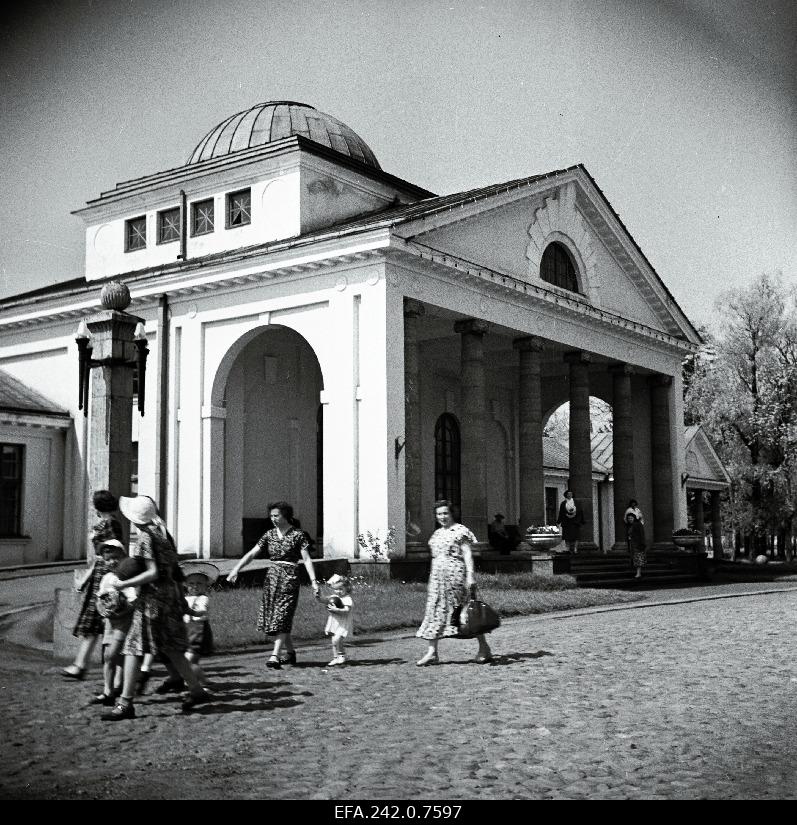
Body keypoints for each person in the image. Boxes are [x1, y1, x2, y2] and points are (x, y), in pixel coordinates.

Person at [101, 495, 209, 720]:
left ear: (134, 519)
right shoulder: (161, 536)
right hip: (168, 598)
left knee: (133, 647)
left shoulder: (145, 538)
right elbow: (170, 571)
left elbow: (152, 573)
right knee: (170, 648)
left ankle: (125, 703)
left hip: (152, 601)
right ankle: (196, 690)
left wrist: (124, 583)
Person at [226, 501, 320, 669]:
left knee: (282, 615)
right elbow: (253, 553)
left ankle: (275, 655)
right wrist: (236, 569)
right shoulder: (269, 535)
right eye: (271, 516)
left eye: (276, 515)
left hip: (289, 578)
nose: (273, 519)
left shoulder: (298, 535)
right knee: (276, 617)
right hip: (272, 578)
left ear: (286, 516)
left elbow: (306, 558)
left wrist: (314, 582)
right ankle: (290, 653)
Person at [416, 499, 492, 666]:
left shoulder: (460, 531)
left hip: (455, 577)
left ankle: (484, 647)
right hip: (437, 578)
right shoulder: (436, 534)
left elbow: (467, 554)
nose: (442, 517)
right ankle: (432, 652)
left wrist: (470, 576)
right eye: (438, 514)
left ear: (451, 514)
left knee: (465, 612)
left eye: (445, 513)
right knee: (435, 610)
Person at [62, 490, 124, 680]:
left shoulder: (111, 524)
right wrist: (86, 578)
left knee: (100, 621)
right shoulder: (107, 523)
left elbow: (109, 554)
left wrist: (90, 578)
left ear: (98, 507)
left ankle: (84, 665)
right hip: (99, 575)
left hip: (104, 576)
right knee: (95, 622)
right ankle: (81, 665)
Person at [93, 541, 142, 706]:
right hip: (110, 622)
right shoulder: (107, 578)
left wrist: (121, 609)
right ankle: (108, 691)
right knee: (108, 658)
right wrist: (101, 608)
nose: (112, 562)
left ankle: (117, 687)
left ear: (123, 556)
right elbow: (99, 597)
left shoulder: (127, 578)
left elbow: (133, 601)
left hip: (124, 621)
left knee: (112, 655)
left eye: (115, 558)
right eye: (107, 559)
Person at [180, 561, 218, 665]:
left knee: (192, 651)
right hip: (186, 627)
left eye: (199, 583)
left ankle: (186, 672)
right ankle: (200, 677)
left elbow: (202, 611)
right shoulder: (185, 598)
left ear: (206, 586)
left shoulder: (203, 599)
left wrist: (193, 612)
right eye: (191, 584)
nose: (195, 586)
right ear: (186, 585)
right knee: (192, 657)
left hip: (198, 629)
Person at [323, 574, 354, 667]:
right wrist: (318, 596)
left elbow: (346, 610)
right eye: (336, 589)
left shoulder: (348, 599)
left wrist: (336, 610)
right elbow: (324, 600)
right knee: (334, 641)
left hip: (343, 623)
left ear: (347, 588)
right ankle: (336, 657)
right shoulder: (334, 597)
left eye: (341, 589)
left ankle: (341, 655)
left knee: (337, 639)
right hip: (334, 622)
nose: (338, 591)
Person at [556, 490, 585, 554]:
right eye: (568, 494)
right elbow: (561, 513)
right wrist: (558, 522)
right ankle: (568, 548)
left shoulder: (577, 503)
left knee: (576, 536)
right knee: (567, 536)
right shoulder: (563, 503)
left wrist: (576, 517)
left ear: (572, 495)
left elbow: (580, 511)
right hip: (566, 522)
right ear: (566, 495)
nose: (569, 495)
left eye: (571, 494)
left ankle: (575, 548)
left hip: (575, 522)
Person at [625, 510, 647, 579]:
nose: (630, 519)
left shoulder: (637, 524)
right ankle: (638, 572)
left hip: (638, 544)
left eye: (631, 518)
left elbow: (641, 534)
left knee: (638, 558)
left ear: (634, 518)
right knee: (636, 558)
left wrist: (642, 543)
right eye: (628, 518)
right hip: (633, 544)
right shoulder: (631, 525)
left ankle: (638, 573)